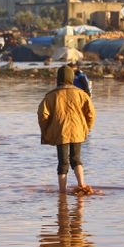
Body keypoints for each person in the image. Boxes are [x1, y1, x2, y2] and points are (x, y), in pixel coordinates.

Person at [37, 65, 96, 194]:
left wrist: (46, 130)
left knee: (62, 162)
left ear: (58, 78)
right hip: (78, 131)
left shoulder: (51, 95)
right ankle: (82, 185)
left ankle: (62, 192)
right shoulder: (82, 94)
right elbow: (91, 114)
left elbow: (42, 115)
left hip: (60, 132)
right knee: (76, 159)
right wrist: (86, 128)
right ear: (71, 77)